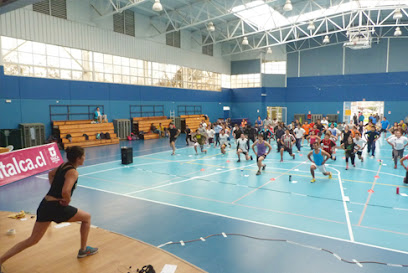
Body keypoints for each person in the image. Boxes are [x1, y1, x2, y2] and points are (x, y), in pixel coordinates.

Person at [0, 146, 98, 270]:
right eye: (83, 156)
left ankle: (1, 259)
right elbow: (66, 191)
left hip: (45, 205)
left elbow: (50, 174)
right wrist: (66, 200)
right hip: (57, 207)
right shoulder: (73, 172)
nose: (85, 158)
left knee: (32, 240)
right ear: (78, 158)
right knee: (87, 218)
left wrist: (54, 191)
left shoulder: (63, 166)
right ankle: (83, 250)